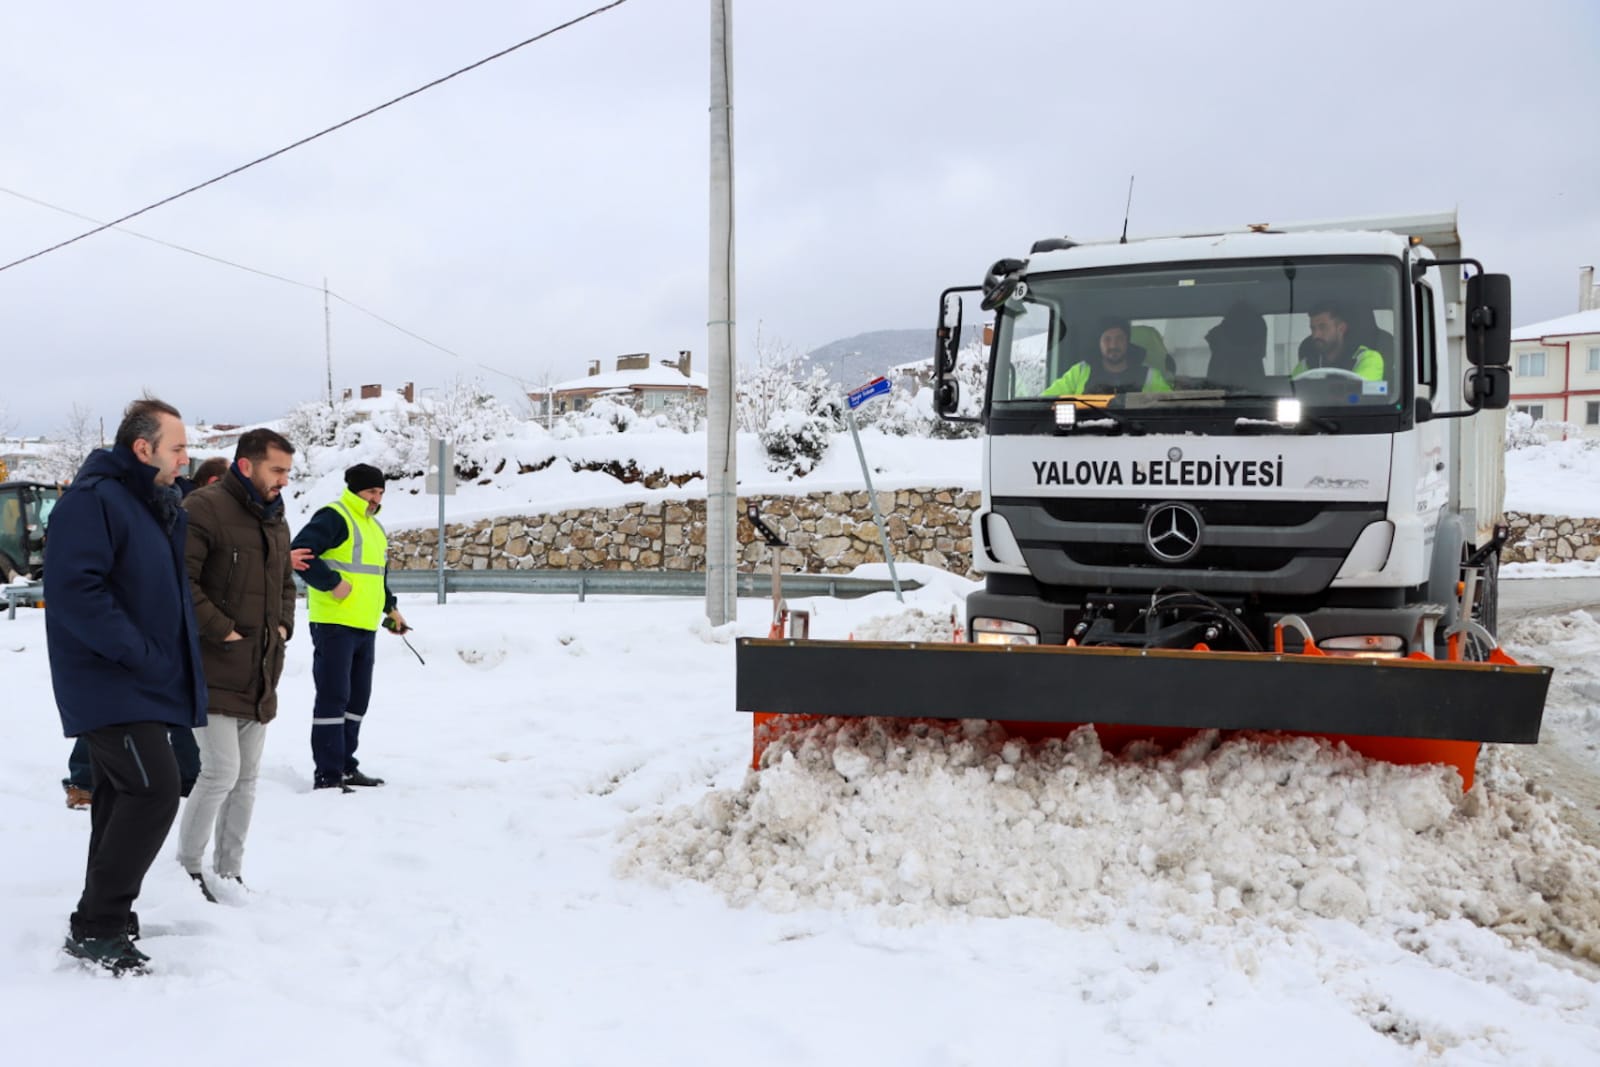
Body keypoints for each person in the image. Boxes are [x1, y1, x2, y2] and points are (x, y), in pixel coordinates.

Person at [45, 397, 206, 975]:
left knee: (120, 794)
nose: (187, 458)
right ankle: (98, 924)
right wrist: (138, 653)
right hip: (109, 678)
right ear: (143, 449)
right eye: (178, 447)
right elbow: (75, 592)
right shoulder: (94, 502)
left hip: (136, 678)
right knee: (154, 790)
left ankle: (104, 916)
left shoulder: (150, 503)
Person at [174, 429, 301, 901]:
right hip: (213, 664)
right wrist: (219, 628)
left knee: (246, 780)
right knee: (220, 772)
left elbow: (285, 582)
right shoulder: (203, 508)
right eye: (277, 470)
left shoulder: (274, 517)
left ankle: (229, 873)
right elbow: (180, 581)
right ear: (245, 466)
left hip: (261, 668)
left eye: (288, 471)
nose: (284, 481)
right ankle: (186, 871)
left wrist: (284, 627)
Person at [60, 458, 223, 809]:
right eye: (176, 450)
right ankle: (86, 777)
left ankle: (185, 774)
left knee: (173, 706)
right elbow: (82, 588)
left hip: (173, 625)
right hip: (136, 635)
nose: (180, 462)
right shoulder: (135, 501)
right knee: (114, 715)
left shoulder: (175, 500)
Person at [291, 463, 409, 792]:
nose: (377, 498)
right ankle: (327, 774)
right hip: (333, 624)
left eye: (381, 492)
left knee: (358, 699)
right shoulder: (334, 516)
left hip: (364, 624)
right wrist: (331, 583)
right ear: (355, 489)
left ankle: (345, 766)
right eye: (371, 491)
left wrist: (391, 607)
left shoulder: (375, 527)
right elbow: (299, 553)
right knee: (334, 697)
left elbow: (376, 576)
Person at [1042, 317, 1173, 396]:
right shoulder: (1079, 372)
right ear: (1099, 343)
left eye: (1119, 338)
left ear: (1127, 342)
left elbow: (1171, 407)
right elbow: (1047, 401)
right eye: (1107, 339)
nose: (1113, 345)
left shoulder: (1149, 376)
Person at [1292, 301, 1385, 381]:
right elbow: (1292, 391)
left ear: (1341, 328)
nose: (1316, 335)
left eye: (1323, 327)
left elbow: (1362, 393)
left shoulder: (1367, 359)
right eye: (1313, 328)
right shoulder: (1307, 364)